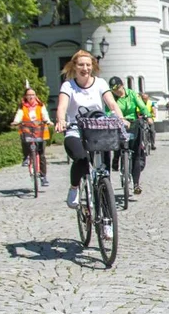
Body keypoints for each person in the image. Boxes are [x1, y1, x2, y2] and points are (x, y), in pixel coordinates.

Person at [54, 51, 128, 209]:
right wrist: (61, 120)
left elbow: (112, 104)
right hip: (76, 129)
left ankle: (106, 218)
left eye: (88, 65)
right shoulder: (68, 86)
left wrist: (120, 119)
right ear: (74, 66)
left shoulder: (100, 83)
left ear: (92, 66)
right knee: (81, 159)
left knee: (104, 173)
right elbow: (62, 106)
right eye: (81, 64)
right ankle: (74, 188)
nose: (85, 68)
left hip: (98, 130)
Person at [108, 77, 151, 194]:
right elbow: (108, 110)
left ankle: (136, 183)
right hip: (119, 123)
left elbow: (141, 106)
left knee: (136, 152)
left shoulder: (131, 94)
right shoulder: (111, 98)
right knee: (118, 143)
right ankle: (116, 158)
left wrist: (147, 115)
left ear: (122, 85)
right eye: (113, 90)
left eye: (117, 88)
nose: (116, 91)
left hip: (133, 123)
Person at [11, 87, 51, 187]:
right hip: (27, 130)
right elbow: (19, 115)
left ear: (35, 96)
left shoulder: (40, 105)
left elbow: (44, 114)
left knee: (41, 154)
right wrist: (16, 121)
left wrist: (48, 121)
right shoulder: (22, 106)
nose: (31, 96)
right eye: (29, 95)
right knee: (25, 142)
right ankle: (26, 158)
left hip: (40, 131)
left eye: (33, 94)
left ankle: (43, 176)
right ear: (25, 96)